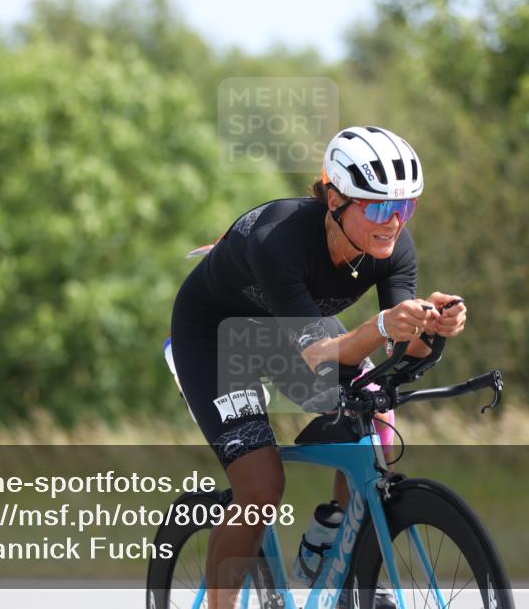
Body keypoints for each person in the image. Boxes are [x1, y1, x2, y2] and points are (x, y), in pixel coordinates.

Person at [167, 126, 468, 608]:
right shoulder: (278, 239)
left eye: (405, 207)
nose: (394, 222)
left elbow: (396, 357)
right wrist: (385, 324)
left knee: (377, 413)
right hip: (219, 338)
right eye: (379, 207)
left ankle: (332, 549)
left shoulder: (394, 250)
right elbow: (321, 355)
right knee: (262, 487)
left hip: (291, 331)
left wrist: (432, 329)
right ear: (335, 199)